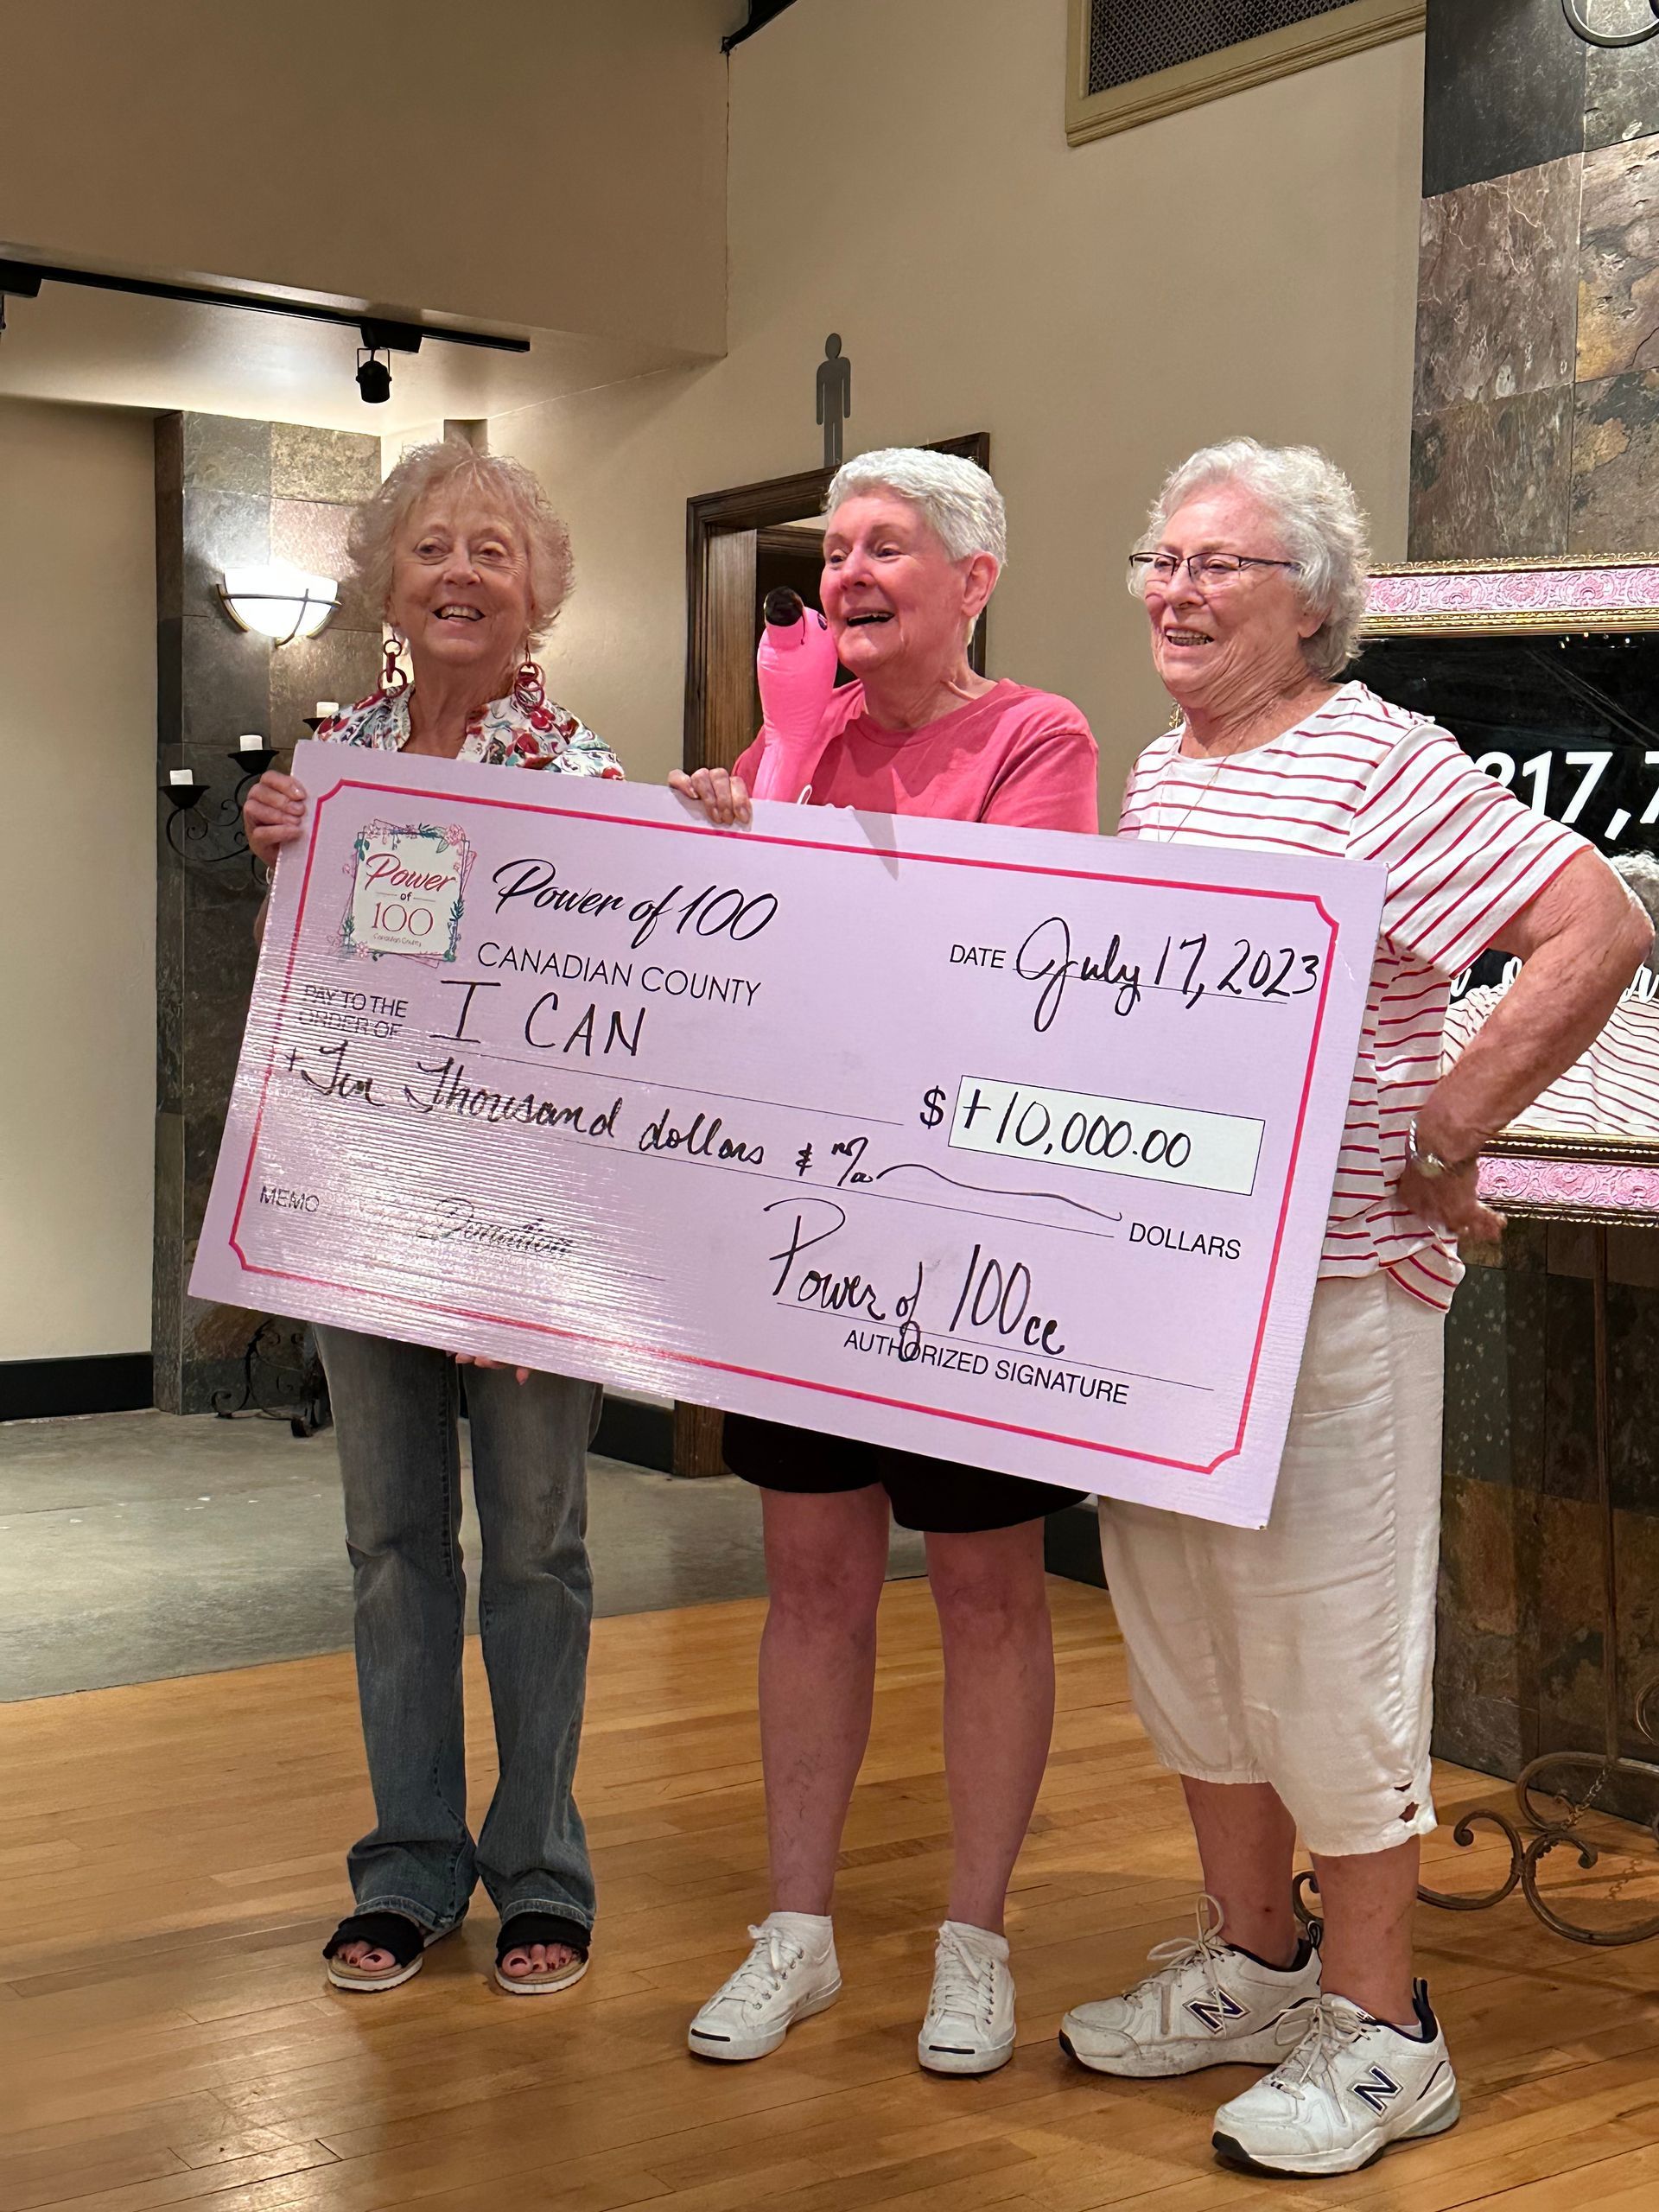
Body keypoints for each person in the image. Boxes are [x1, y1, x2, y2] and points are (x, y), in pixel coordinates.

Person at [1058, 438, 1650, 2177]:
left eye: (1215, 564)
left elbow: (1593, 920)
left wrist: (1449, 1117)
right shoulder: (1170, 774)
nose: (1172, 588)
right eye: (1160, 558)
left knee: (1324, 1657)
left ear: (1311, 601)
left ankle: (1388, 2034)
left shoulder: (1378, 758)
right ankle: (1252, 1963)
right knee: (1191, 1646)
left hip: (1329, 1290)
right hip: (1170, 1292)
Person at [670, 447, 1098, 2077]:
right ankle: (797, 1932)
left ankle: (974, 1944)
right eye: (834, 549)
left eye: (885, 549)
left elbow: (1001, 953)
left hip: (977, 1247)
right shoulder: (796, 737)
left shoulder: (1037, 736)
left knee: (989, 1591)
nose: (845, 573)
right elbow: (742, 976)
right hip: (807, 1234)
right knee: (812, 1586)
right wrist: (741, 809)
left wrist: (781, 837)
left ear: (972, 581)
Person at [243, 438, 622, 1998]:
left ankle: (540, 1870)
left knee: (537, 1549)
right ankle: (407, 1870)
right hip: (362, 1209)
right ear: (388, 583)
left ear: (536, 595)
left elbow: (619, 1027)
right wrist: (281, 859)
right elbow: (334, 996)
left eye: (493, 550)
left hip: (533, 1226)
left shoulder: (596, 791)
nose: (461, 571)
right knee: (392, 1545)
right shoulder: (332, 770)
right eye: (432, 548)